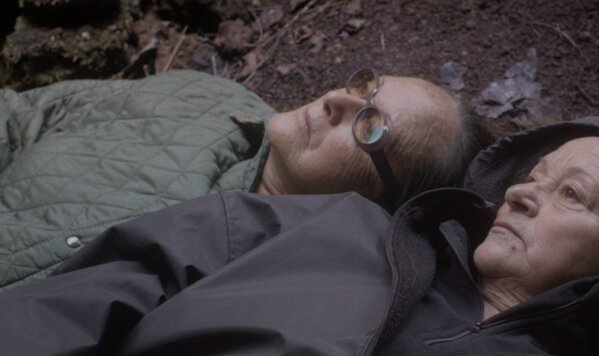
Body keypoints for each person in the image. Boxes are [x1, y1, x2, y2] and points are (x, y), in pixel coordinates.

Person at [0, 117, 599, 356]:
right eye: (532, 177)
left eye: (572, 195)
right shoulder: (331, 227)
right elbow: (87, 297)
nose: (523, 194)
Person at [0, 68, 489, 290]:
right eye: (365, 86)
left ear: (382, 201)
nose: (337, 99)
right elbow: (23, 117)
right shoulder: (201, 94)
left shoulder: (264, 291)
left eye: (370, 126)